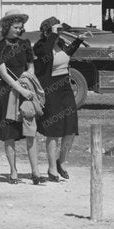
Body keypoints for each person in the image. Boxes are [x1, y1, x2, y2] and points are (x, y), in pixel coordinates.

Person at [0, 12, 45, 184]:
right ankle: (13, 171)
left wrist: (28, 80)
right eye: (15, 27)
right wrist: (20, 89)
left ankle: (36, 171)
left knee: (31, 130)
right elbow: (4, 74)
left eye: (20, 28)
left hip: (26, 90)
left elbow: (31, 65)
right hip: (8, 93)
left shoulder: (25, 44)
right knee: (9, 133)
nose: (19, 30)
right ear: (6, 27)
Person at [34, 17, 79, 181]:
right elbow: (46, 54)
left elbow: (67, 54)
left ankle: (62, 161)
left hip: (65, 87)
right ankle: (52, 169)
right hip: (49, 89)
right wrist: (52, 36)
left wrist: (80, 40)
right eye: (56, 30)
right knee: (53, 131)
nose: (60, 33)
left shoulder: (60, 43)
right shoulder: (40, 46)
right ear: (47, 31)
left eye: (60, 30)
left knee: (71, 127)